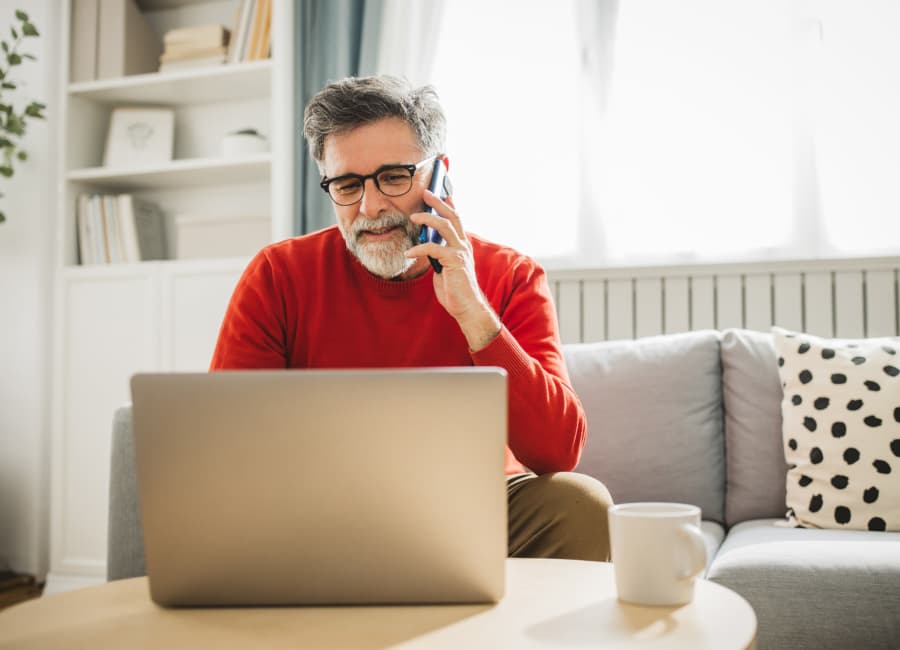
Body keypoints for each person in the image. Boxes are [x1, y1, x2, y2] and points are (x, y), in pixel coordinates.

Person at [210, 75, 613, 561]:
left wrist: (474, 314)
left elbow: (558, 452)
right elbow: (230, 446)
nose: (371, 206)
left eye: (394, 177)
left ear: (439, 174)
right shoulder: (277, 275)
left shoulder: (510, 275)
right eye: (347, 184)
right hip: (323, 514)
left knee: (581, 504)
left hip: (474, 509)